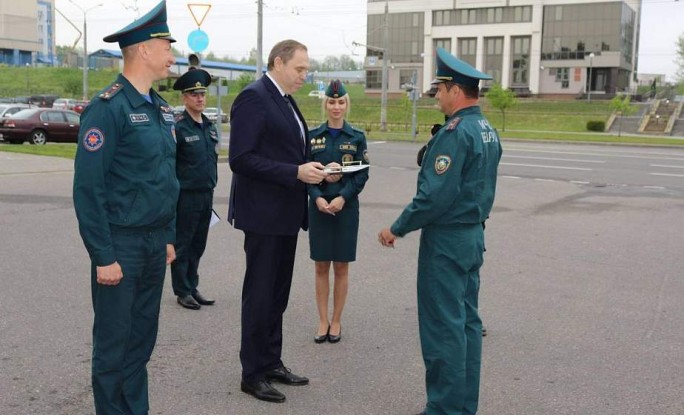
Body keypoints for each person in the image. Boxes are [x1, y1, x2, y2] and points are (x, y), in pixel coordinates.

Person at [378, 47, 502, 415]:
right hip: (473, 236)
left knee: (442, 328)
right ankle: (463, 406)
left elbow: (433, 197)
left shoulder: (456, 132)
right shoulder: (487, 129)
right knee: (466, 325)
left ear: (455, 90)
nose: (437, 97)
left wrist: (396, 228)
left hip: (447, 241)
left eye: (440, 90)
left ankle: (444, 409)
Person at [72, 1, 178, 414]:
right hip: (121, 245)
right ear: (144, 50)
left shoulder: (160, 108)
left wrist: (168, 236)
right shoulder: (108, 107)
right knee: (114, 346)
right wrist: (103, 255)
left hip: (153, 243)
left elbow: (166, 180)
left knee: (141, 343)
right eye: (166, 45)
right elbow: (88, 189)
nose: (172, 54)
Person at [228, 39, 327, 403]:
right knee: (260, 295)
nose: (305, 75)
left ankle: (270, 362)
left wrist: (316, 169)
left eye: (306, 69)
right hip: (264, 216)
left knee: (277, 295)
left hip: (285, 214)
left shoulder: (284, 99)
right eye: (300, 68)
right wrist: (295, 172)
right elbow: (240, 158)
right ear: (278, 62)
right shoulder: (254, 97)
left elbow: (290, 149)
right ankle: (251, 373)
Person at [307, 80, 369, 344]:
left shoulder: (356, 137)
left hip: (345, 208)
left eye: (340, 102)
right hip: (319, 207)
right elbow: (305, 173)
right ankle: (322, 321)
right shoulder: (312, 137)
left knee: (341, 266)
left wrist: (343, 197)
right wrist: (318, 198)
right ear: (326, 104)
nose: (336, 106)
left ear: (346, 105)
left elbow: (362, 174)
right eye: (331, 102)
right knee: (321, 265)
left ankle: (337, 320)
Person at [170, 68, 218, 310]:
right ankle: (182, 290)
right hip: (185, 196)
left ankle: (192, 285)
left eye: (202, 93)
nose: (199, 98)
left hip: (206, 195)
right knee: (183, 244)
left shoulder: (209, 126)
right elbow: (169, 164)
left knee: (199, 244)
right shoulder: (179, 127)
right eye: (194, 94)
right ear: (184, 98)